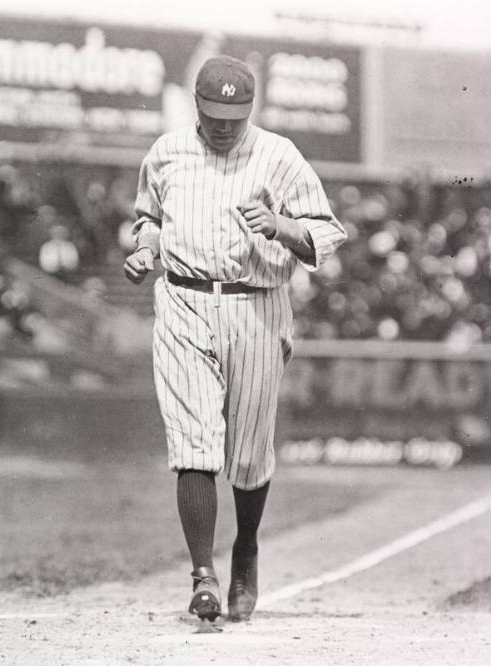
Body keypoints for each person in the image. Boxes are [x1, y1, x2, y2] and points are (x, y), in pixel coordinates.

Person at [124, 55, 347, 623]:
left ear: (251, 109)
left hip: (256, 305)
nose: (225, 124)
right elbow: (147, 216)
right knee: (193, 442)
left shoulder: (279, 155)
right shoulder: (167, 152)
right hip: (183, 301)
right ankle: (203, 575)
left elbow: (328, 231)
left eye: (236, 114)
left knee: (246, 456)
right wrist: (147, 249)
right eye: (215, 112)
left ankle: (245, 550)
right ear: (196, 104)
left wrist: (281, 226)